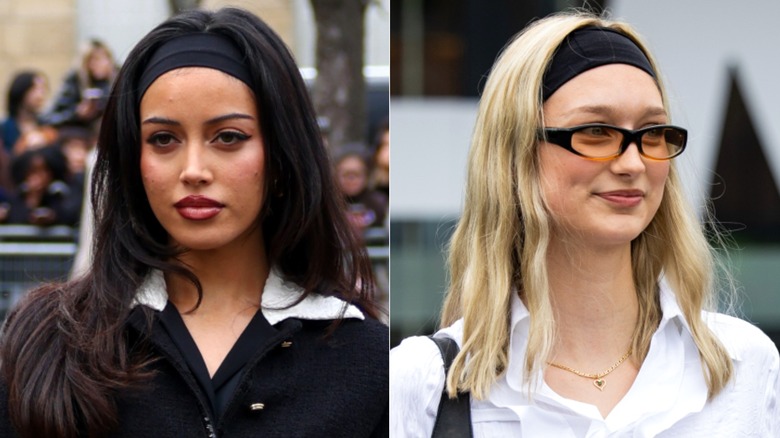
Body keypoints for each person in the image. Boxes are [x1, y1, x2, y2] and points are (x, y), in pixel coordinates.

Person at [0, 7, 387, 438]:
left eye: (228, 137)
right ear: (134, 160)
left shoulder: (366, 359)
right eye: (163, 139)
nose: (194, 170)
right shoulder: (49, 341)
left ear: (281, 156)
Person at [390, 11, 779, 437]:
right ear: (516, 152)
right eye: (596, 131)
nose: (633, 162)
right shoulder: (425, 383)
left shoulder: (741, 364)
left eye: (651, 133)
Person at [41, 39, 117, 132]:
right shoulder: (74, 81)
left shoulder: (119, 78)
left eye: (101, 59)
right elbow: (49, 117)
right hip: (79, 134)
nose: (96, 65)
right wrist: (77, 113)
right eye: (91, 60)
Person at [1, 71, 57, 155]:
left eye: (43, 90)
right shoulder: (4, 129)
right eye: (34, 89)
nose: (40, 96)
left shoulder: (48, 126)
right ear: (21, 91)